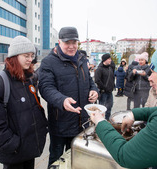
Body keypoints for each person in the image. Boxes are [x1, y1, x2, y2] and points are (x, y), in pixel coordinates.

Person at [90, 31, 157, 168]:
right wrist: (134, 114)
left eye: (155, 72)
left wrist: (100, 122)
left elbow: (125, 155)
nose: (150, 77)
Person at [0, 36, 48, 169]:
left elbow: (35, 108)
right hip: (14, 152)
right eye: (26, 56)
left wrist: (42, 128)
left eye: (32, 55)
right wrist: (11, 144)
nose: (30, 60)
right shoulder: (0, 82)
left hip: (29, 148)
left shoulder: (28, 79)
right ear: (14, 56)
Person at [38, 27, 99, 166]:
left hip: (81, 123)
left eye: (74, 42)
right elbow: (46, 87)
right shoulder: (49, 62)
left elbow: (89, 81)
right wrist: (62, 100)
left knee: (76, 161)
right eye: (67, 43)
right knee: (57, 161)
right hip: (60, 124)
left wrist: (94, 91)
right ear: (59, 42)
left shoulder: (82, 59)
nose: (71, 46)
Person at [94, 53, 115, 120]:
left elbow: (112, 78)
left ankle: (108, 120)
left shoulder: (110, 68)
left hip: (110, 92)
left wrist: (113, 86)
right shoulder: (99, 69)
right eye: (109, 59)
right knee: (102, 109)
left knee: (109, 107)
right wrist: (104, 88)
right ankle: (101, 121)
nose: (110, 60)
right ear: (104, 60)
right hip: (103, 93)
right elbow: (97, 80)